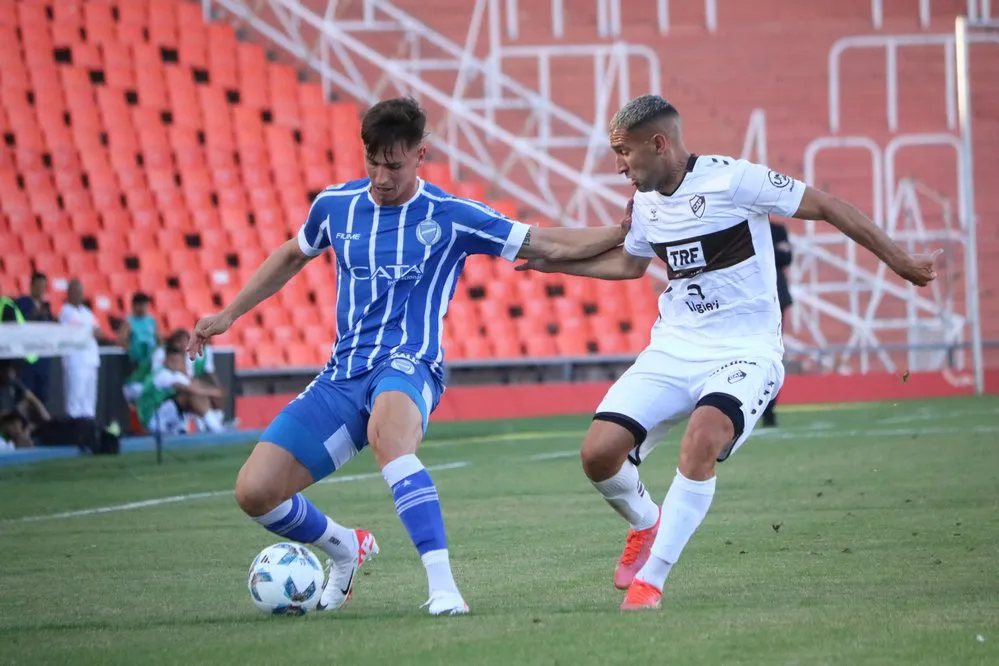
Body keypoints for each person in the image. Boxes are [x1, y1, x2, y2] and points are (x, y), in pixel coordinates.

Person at [188, 96, 628, 616]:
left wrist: (621, 233)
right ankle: (345, 548)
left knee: (390, 438)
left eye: (393, 164)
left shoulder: (452, 216)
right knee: (254, 491)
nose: (380, 175)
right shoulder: (335, 206)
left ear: (421, 154)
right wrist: (228, 314)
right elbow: (291, 254)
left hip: (409, 363)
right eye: (372, 161)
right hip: (342, 374)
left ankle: (443, 588)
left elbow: (544, 244)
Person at [516, 94, 940, 611]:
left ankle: (652, 581)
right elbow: (629, 266)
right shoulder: (648, 202)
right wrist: (554, 266)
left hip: (746, 349)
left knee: (702, 439)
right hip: (674, 347)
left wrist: (902, 263)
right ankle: (647, 523)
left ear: (658, 143)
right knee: (597, 455)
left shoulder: (734, 180)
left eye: (623, 152)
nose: (618, 165)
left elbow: (828, 205)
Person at [137, 346, 226, 435]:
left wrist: (212, 392)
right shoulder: (163, 374)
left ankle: (209, 425)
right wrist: (215, 392)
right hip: (153, 419)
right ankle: (217, 430)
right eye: (172, 361)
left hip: (166, 416)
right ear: (165, 361)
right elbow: (189, 388)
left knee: (199, 396)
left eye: (178, 361)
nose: (175, 364)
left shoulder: (177, 375)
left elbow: (195, 385)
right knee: (191, 396)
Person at [762, 218, 793, 427]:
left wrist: (761, 250)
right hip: (744, 299)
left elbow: (786, 256)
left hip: (775, 297)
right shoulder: (736, 223)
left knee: (771, 354)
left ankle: (769, 410)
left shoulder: (777, 230)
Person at [58, 279, 103, 420]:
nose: (79, 295)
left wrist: (88, 331)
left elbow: (99, 331)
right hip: (75, 361)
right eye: (76, 291)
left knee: (89, 401)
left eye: (81, 292)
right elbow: (75, 332)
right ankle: (74, 433)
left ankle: (89, 430)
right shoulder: (65, 311)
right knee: (75, 400)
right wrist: (88, 331)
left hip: (91, 361)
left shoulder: (87, 312)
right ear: (69, 293)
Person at [14, 272, 55, 404]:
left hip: (43, 357)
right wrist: (34, 315)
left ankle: (39, 423)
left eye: (43, 286)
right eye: (38, 285)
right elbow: (18, 325)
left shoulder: (46, 306)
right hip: (27, 358)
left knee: (41, 394)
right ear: (31, 286)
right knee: (25, 394)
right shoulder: (22, 303)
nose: (41, 289)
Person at [117, 292, 158, 371]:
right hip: (135, 360)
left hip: (151, 358)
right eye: (141, 305)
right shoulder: (128, 322)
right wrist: (133, 352)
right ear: (134, 306)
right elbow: (122, 340)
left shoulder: (151, 321)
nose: (144, 308)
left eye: (145, 305)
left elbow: (158, 338)